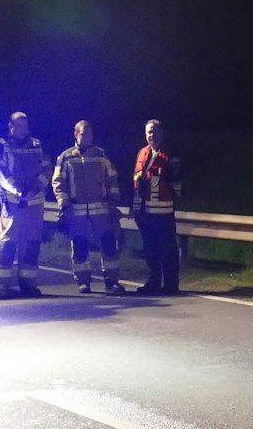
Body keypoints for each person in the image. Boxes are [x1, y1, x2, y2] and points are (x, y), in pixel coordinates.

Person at [52, 119, 125, 294]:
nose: (88, 138)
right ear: (76, 135)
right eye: (84, 134)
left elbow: (112, 179)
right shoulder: (65, 158)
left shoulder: (101, 155)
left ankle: (112, 281)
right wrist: (64, 204)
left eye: (90, 134)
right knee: (79, 247)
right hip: (76, 212)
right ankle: (83, 282)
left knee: (108, 245)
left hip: (101, 211)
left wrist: (114, 202)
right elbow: (58, 183)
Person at [0, 111, 49, 297]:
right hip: (9, 205)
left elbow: (47, 169)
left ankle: (28, 284)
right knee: (6, 243)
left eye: (25, 126)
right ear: (10, 126)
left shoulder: (37, 145)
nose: (22, 130)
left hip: (34, 205)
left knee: (31, 244)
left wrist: (35, 188)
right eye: (18, 126)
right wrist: (19, 191)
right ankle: (0, 286)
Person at [130, 118, 183, 296]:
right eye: (149, 132)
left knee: (168, 251)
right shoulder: (142, 154)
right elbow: (136, 185)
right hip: (146, 214)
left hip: (164, 214)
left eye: (155, 131)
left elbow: (178, 188)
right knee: (150, 250)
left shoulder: (172, 157)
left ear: (162, 133)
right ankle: (153, 282)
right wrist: (136, 210)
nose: (152, 135)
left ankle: (171, 284)